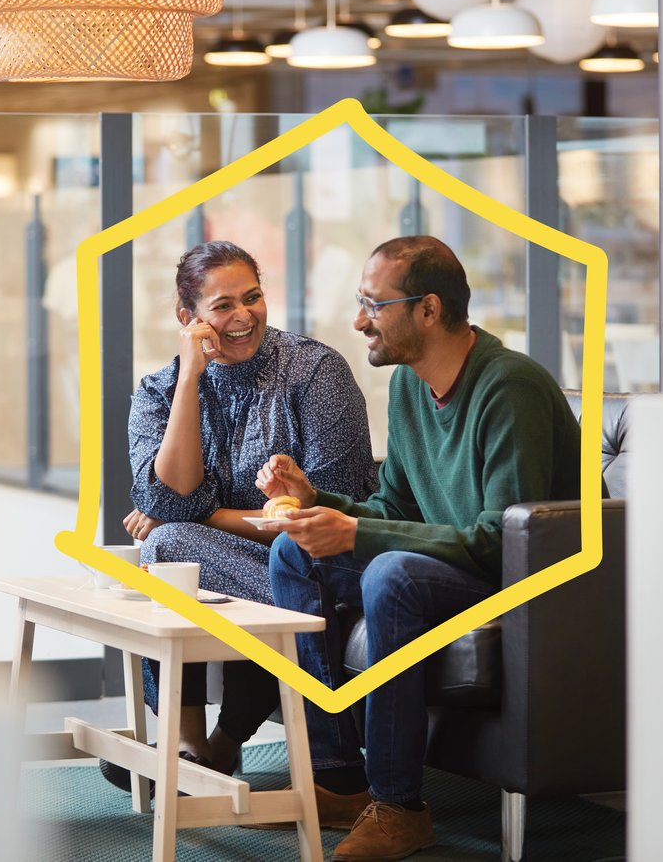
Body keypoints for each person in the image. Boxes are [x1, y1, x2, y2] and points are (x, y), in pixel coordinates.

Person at [256, 236, 589, 862]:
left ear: (429, 310)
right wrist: (318, 501)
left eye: (373, 305)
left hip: (533, 586)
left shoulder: (509, 387)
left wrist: (359, 535)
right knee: (295, 554)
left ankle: (400, 808)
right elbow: (397, 509)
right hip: (458, 568)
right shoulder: (411, 387)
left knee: (393, 574)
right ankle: (338, 778)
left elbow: (502, 542)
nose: (360, 322)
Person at [115, 240, 377, 786]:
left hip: (323, 571)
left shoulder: (315, 372)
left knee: (169, 546)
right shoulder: (160, 390)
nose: (243, 316)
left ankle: (204, 749)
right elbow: (169, 499)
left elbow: (330, 510)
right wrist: (190, 379)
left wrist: (198, 518)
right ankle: (192, 745)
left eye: (252, 297)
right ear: (188, 319)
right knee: (173, 553)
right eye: (223, 305)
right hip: (252, 571)